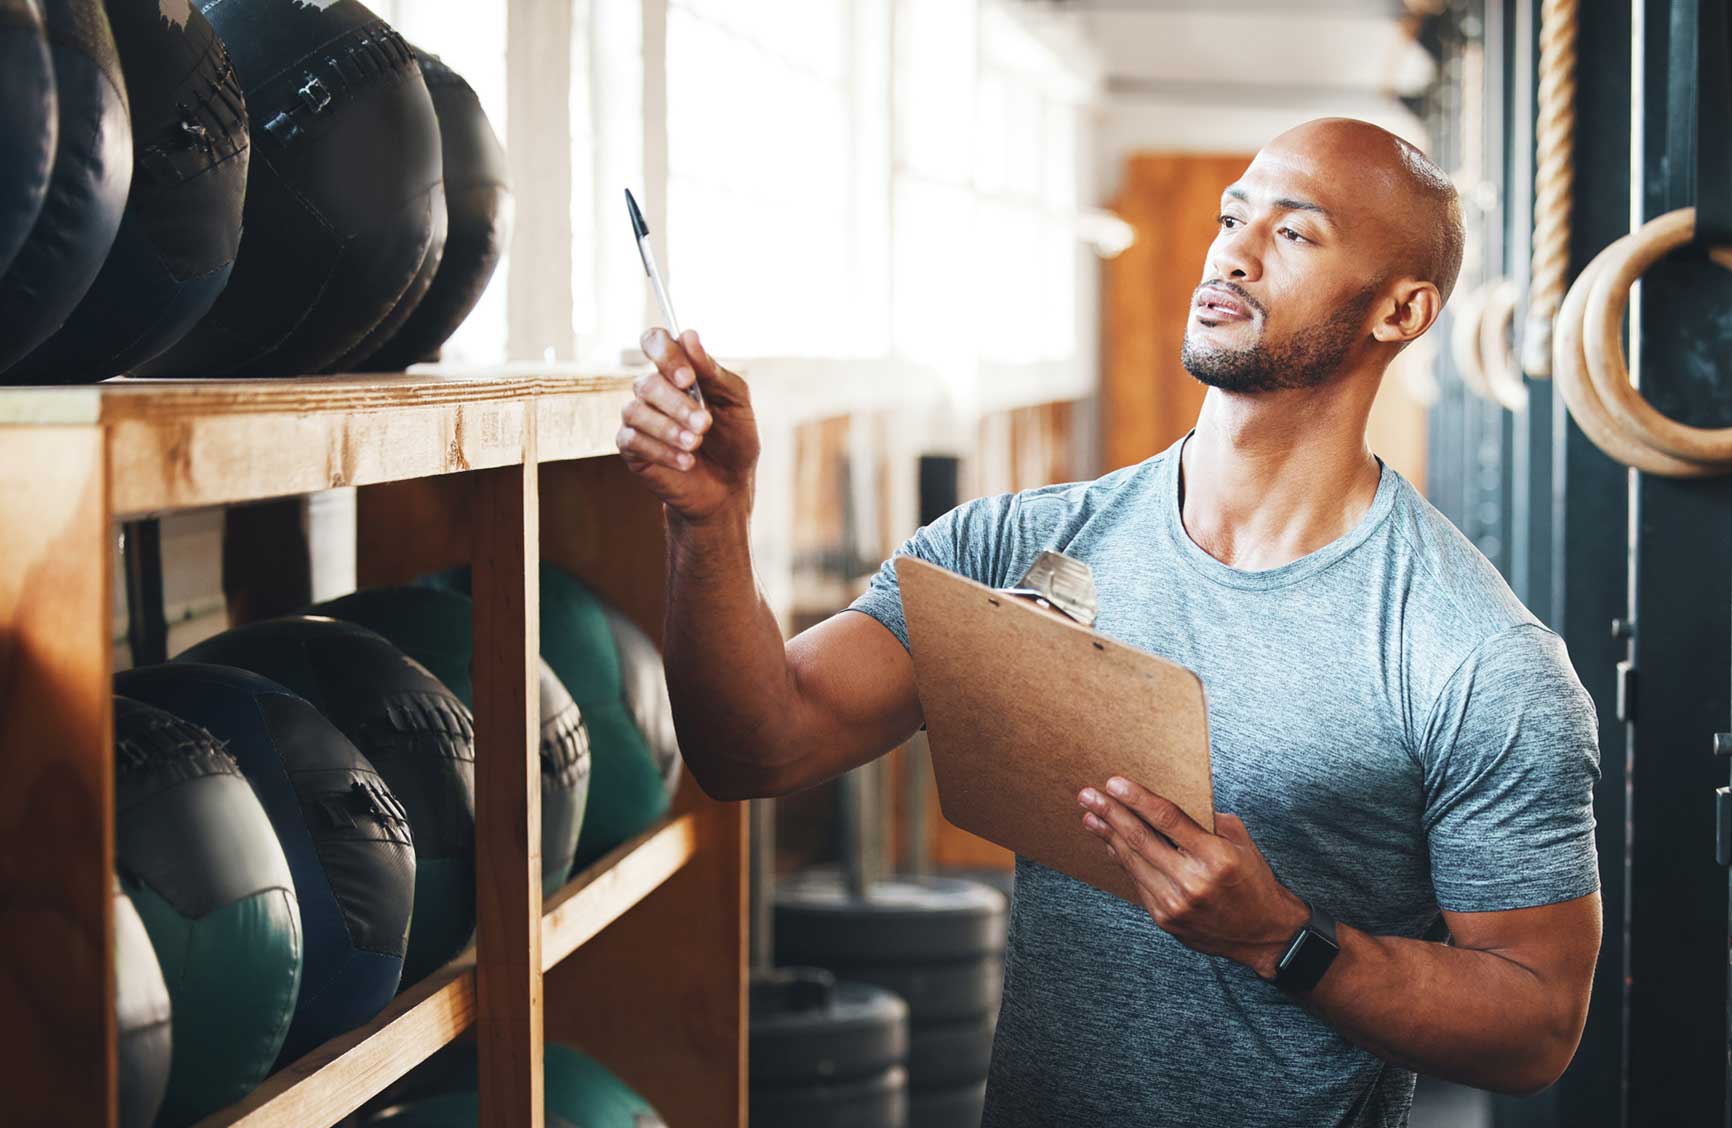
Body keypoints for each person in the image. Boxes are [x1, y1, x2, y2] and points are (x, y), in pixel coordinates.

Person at [614, 117, 1601, 1127]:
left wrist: (1280, 939)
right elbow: (756, 747)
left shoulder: (1475, 658)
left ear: (1399, 311)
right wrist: (711, 519)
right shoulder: (1012, 548)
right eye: (1232, 216)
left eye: (1294, 235)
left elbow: (1535, 1023)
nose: (1233, 251)